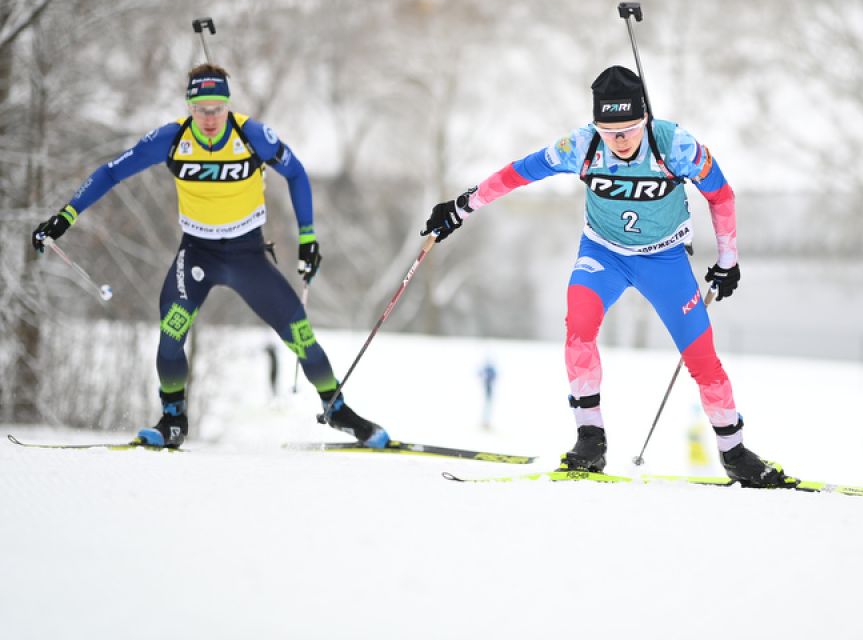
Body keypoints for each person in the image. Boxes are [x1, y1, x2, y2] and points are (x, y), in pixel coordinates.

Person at [422, 65, 792, 487]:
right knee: (578, 327)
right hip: (603, 254)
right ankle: (590, 440)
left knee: (702, 359)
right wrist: (461, 207)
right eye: (609, 131)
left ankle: (735, 453)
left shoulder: (676, 145)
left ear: (645, 118)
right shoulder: (581, 145)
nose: (619, 140)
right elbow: (519, 172)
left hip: (664, 260)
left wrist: (729, 260)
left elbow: (720, 194)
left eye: (629, 130)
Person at [31, 63, 388, 449]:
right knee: (171, 334)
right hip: (198, 254)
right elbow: (110, 172)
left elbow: (297, 173)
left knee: (301, 336)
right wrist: (66, 216)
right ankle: (173, 420)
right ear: (189, 107)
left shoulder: (251, 135)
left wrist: (308, 239)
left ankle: (336, 410)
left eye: (217, 108)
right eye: (201, 109)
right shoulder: (171, 140)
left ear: (227, 105)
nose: (210, 118)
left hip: (248, 256)